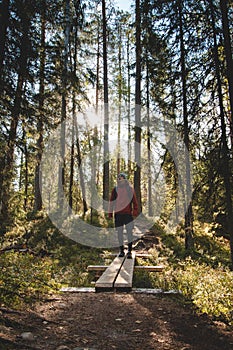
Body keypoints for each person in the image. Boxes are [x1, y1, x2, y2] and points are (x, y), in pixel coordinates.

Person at [108, 172, 139, 258]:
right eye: (118, 178)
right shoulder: (115, 189)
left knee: (129, 232)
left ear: (125, 179)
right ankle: (121, 251)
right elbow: (111, 202)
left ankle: (129, 251)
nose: (119, 179)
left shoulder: (130, 189)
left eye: (121, 178)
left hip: (127, 214)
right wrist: (110, 213)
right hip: (118, 215)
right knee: (119, 233)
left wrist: (135, 212)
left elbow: (134, 201)